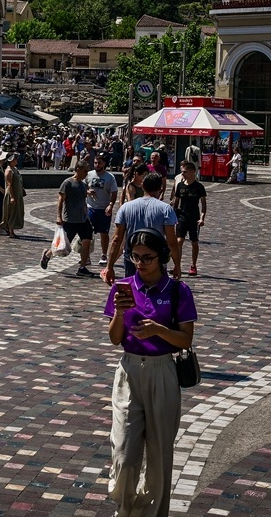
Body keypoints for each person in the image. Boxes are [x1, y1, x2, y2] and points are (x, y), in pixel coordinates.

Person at [103, 228, 197, 516]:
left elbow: (186, 340)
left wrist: (157, 329)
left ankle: (153, 513)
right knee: (124, 452)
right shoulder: (123, 287)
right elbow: (115, 338)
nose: (140, 263)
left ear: (162, 257)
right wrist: (120, 312)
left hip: (163, 372)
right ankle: (125, 506)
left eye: (148, 258)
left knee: (159, 455)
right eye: (135, 257)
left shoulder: (177, 290)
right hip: (129, 371)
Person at [102, 172, 182, 283]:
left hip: (133, 258)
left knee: (132, 295)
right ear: (160, 188)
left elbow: (116, 239)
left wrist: (109, 266)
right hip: (155, 259)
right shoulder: (165, 209)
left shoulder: (126, 207)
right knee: (157, 294)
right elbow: (172, 242)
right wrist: (177, 265)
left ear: (143, 186)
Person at [40, 161, 95, 276]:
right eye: (85, 171)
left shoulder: (83, 185)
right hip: (70, 220)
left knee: (86, 241)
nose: (86, 174)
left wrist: (87, 215)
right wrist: (59, 216)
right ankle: (47, 255)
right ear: (78, 169)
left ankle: (82, 267)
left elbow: (83, 202)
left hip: (83, 220)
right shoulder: (67, 183)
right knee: (62, 246)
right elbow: (60, 200)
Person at [171, 161, 207, 275]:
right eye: (182, 172)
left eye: (185, 172)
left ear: (192, 172)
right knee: (179, 241)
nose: (183, 174)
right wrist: (173, 216)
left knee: (194, 242)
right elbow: (176, 202)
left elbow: (203, 204)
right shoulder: (180, 185)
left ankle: (193, 265)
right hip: (182, 216)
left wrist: (202, 218)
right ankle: (177, 265)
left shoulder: (199, 187)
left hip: (194, 217)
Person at [87, 154, 119, 266]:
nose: (97, 165)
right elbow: (83, 186)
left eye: (99, 163)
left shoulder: (110, 177)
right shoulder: (89, 175)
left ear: (104, 163)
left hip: (104, 208)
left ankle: (104, 254)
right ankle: (86, 256)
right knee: (88, 233)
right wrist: (87, 191)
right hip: (91, 208)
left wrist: (110, 205)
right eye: (95, 163)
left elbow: (114, 192)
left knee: (104, 233)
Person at [1, 152, 25, 237]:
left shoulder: (14, 169)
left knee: (16, 211)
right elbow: (9, 184)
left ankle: (11, 229)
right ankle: (10, 230)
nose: (16, 160)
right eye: (14, 159)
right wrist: (11, 196)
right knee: (12, 211)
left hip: (17, 193)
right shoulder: (9, 170)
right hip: (12, 193)